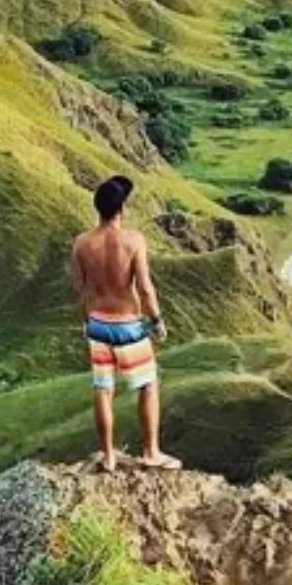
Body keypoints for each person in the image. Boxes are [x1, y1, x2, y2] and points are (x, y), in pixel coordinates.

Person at [69, 175, 180, 472]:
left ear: (98, 208)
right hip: (128, 324)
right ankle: (151, 452)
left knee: (102, 389)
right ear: (122, 209)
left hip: (97, 323)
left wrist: (85, 321)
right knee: (148, 385)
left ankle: (108, 456)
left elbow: (80, 289)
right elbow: (145, 288)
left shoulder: (81, 243)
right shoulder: (133, 241)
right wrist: (156, 321)